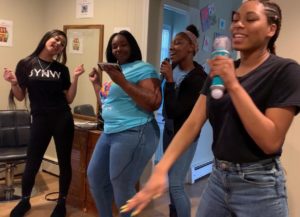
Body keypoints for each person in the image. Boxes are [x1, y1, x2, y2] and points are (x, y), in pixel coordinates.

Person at [121, 1, 300, 216]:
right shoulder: (219, 72)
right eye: (235, 20)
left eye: (250, 19)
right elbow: (193, 123)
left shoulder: (285, 71)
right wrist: (161, 169)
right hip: (218, 178)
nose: (238, 25)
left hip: (259, 185)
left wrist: (232, 84)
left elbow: (271, 141)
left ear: (272, 29)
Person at [3, 29, 85, 217]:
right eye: (56, 39)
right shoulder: (26, 64)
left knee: (65, 162)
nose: (58, 44)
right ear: (46, 39)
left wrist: (75, 78)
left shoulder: (61, 70)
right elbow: (21, 95)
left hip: (62, 118)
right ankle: (24, 201)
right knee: (33, 161)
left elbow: (69, 99)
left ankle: (61, 202)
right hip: (40, 119)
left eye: (62, 43)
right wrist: (14, 83)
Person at [87, 30, 161, 217]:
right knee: (95, 177)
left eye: (123, 44)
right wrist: (96, 84)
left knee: (122, 186)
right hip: (110, 131)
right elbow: (107, 104)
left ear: (132, 47)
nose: (118, 49)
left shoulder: (144, 68)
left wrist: (122, 81)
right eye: (114, 46)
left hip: (134, 130)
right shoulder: (117, 72)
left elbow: (153, 102)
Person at [160, 24, 207, 217]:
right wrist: (165, 78)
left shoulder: (199, 78)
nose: (172, 47)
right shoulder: (172, 68)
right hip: (169, 131)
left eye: (178, 43)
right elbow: (162, 104)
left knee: (176, 184)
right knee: (171, 181)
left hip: (186, 135)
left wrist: (170, 81)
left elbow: (175, 110)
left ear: (191, 48)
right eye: (171, 43)